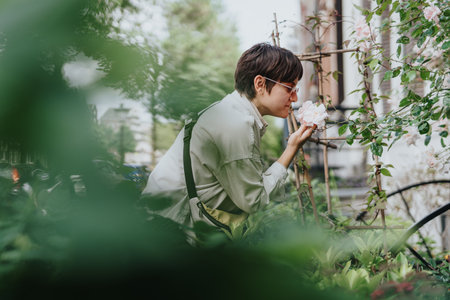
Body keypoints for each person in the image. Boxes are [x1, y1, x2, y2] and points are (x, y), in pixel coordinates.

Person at [141, 43, 315, 238]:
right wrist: (291, 148)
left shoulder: (230, 111)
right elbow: (254, 200)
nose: (295, 97)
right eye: (289, 88)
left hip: (162, 220)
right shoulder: (236, 125)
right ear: (259, 84)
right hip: (168, 230)